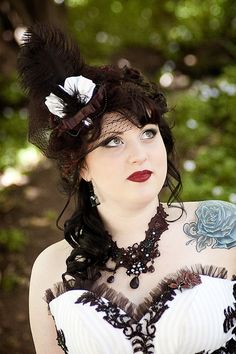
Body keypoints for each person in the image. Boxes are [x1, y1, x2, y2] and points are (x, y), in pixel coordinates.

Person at [18, 24, 236, 354]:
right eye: (113, 141)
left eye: (148, 133)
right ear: (81, 166)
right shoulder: (49, 270)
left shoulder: (223, 225)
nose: (140, 155)